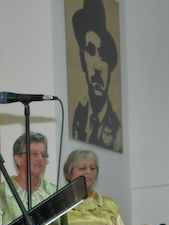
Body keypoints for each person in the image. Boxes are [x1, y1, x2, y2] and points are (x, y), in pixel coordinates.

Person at [70, 0, 122, 152]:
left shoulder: (117, 133)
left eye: (104, 56)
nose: (98, 67)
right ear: (82, 59)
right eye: (91, 51)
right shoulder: (78, 116)